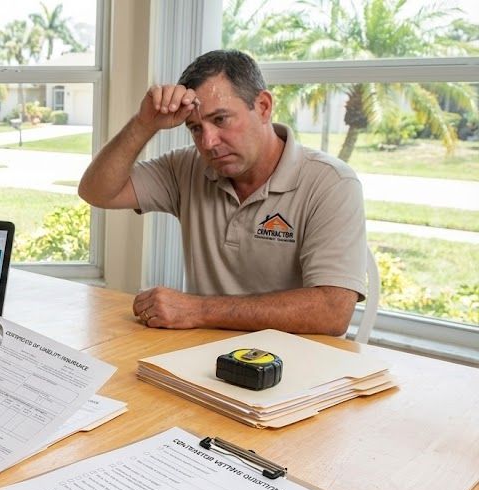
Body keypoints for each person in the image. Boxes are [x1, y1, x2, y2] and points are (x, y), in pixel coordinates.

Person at [79, 50, 367, 336]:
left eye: (220, 120)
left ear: (264, 107)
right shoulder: (187, 167)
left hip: (297, 365)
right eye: (194, 128)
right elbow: (97, 192)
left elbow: (333, 311)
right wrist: (144, 124)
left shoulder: (332, 183)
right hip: (205, 357)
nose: (208, 142)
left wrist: (198, 310)